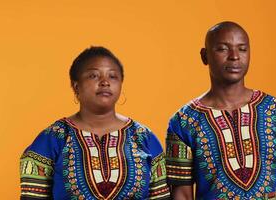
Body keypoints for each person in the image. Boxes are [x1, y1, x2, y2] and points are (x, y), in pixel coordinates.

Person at [165, 21, 276, 199]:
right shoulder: (183, 121)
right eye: (222, 49)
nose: (234, 56)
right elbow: (181, 194)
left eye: (242, 49)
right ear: (205, 56)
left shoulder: (275, 110)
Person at [20, 46, 170, 199]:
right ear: (76, 86)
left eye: (113, 76)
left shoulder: (144, 137)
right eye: (93, 75)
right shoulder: (52, 138)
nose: (105, 82)